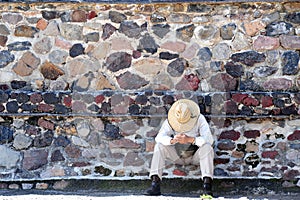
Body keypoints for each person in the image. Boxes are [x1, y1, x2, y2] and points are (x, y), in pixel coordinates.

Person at [145, 99, 214, 198]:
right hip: (177, 154)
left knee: (207, 148)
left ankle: (207, 186)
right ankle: (155, 184)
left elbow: (209, 139)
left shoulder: (199, 118)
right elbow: (159, 138)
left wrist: (190, 139)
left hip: (195, 155)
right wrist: (172, 140)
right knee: (159, 146)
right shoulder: (171, 119)